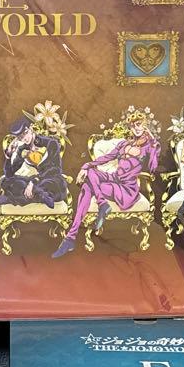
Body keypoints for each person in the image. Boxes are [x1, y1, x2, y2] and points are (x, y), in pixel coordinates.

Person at [54, 107, 159, 258]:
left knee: (87, 186)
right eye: (133, 125)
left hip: (127, 189)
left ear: (145, 126)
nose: (136, 128)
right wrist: (85, 166)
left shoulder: (148, 147)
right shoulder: (124, 144)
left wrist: (154, 144)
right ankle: (101, 205)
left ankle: (71, 237)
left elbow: (153, 168)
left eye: (139, 124)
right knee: (90, 172)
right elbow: (106, 158)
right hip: (115, 179)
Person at [0, 117, 67, 208]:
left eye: (25, 133)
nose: (24, 139)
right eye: (20, 137)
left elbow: (56, 169)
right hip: (33, 184)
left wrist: (33, 181)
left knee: (51, 184)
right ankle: (39, 195)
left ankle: (12, 199)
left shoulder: (51, 143)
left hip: (49, 179)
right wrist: (8, 156)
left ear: (30, 128)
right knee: (5, 181)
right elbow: (9, 175)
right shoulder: (22, 149)